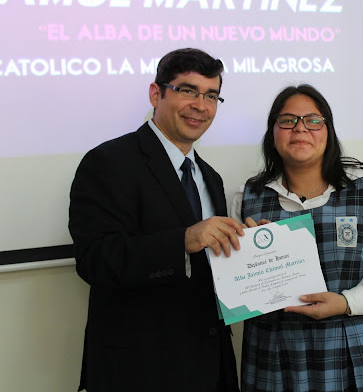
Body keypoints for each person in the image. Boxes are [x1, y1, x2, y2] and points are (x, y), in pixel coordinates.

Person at [69, 48, 244, 391]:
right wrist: (183, 240)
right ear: (156, 93)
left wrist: (248, 247)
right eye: (187, 90)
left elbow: (212, 266)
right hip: (141, 370)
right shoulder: (108, 162)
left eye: (211, 95)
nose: (201, 105)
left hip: (210, 366)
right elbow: (96, 261)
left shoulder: (210, 177)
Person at [231, 84, 363, 391]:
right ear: (272, 133)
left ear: (328, 130)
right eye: (288, 120)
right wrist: (246, 256)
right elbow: (234, 288)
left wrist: (346, 302)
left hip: (359, 344)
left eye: (313, 120)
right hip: (276, 352)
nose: (301, 129)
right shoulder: (246, 196)